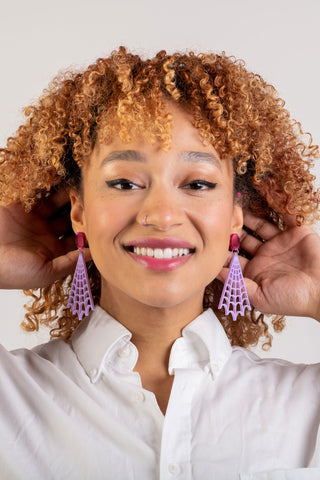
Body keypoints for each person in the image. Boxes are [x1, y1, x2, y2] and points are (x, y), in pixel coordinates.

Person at [0, 46, 320, 479]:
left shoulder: (306, 405)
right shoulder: (11, 397)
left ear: (234, 216)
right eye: (125, 182)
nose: (161, 214)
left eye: (198, 183)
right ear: (78, 211)